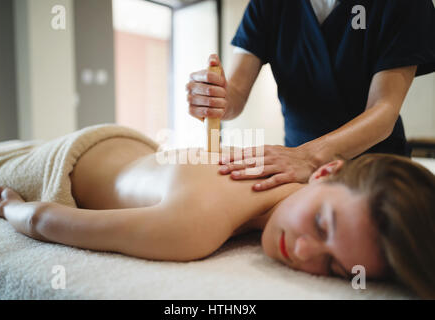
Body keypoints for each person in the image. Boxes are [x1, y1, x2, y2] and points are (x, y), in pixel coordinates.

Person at [0, 128, 434, 298]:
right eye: (321, 224)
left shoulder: (278, 168)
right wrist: (13, 208)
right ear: (325, 172)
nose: (301, 250)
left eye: (334, 266)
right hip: (61, 166)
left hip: (130, 143)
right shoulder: (193, 228)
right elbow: (45, 220)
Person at [186, 0, 435, 191]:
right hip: (296, 174)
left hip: (375, 173)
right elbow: (236, 93)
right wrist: (216, 96)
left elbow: (383, 110)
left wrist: (308, 157)